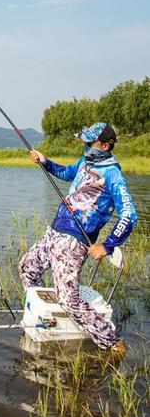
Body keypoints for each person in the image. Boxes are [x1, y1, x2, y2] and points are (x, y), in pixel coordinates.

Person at [19, 122, 137, 357]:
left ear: (105, 145)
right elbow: (66, 173)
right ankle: (47, 316)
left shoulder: (112, 174)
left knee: (68, 298)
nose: (84, 145)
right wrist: (45, 161)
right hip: (55, 231)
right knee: (27, 268)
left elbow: (129, 215)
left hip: (74, 242)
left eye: (88, 142)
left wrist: (107, 245)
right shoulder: (86, 162)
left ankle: (111, 342)